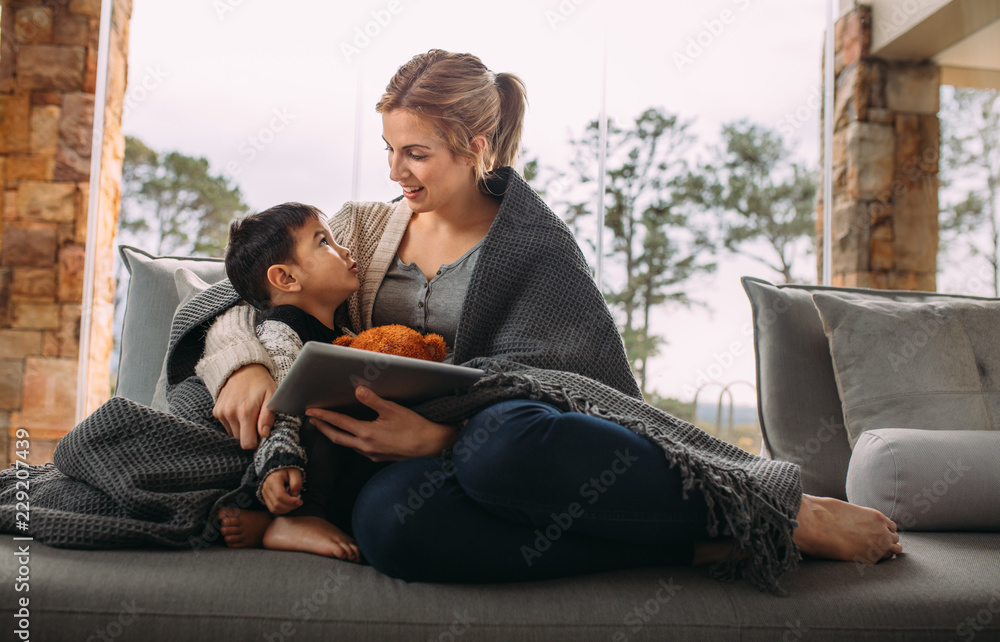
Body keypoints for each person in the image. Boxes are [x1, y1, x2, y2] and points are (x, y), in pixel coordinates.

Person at [200, 49, 901, 592]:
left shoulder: (537, 246)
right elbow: (247, 283)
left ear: (476, 146)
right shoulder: (361, 227)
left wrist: (441, 433)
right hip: (397, 467)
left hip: (507, 443)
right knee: (390, 526)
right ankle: (697, 546)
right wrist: (246, 359)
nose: (396, 172)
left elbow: (574, 390)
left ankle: (777, 510)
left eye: (416, 153)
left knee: (498, 448)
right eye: (388, 148)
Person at [210, 201, 362, 562]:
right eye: (324, 242)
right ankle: (296, 519)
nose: (346, 249)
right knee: (323, 414)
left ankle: (269, 523)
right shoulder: (282, 326)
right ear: (286, 278)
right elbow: (280, 403)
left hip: (310, 462)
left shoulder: (342, 333)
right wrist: (278, 461)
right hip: (280, 458)